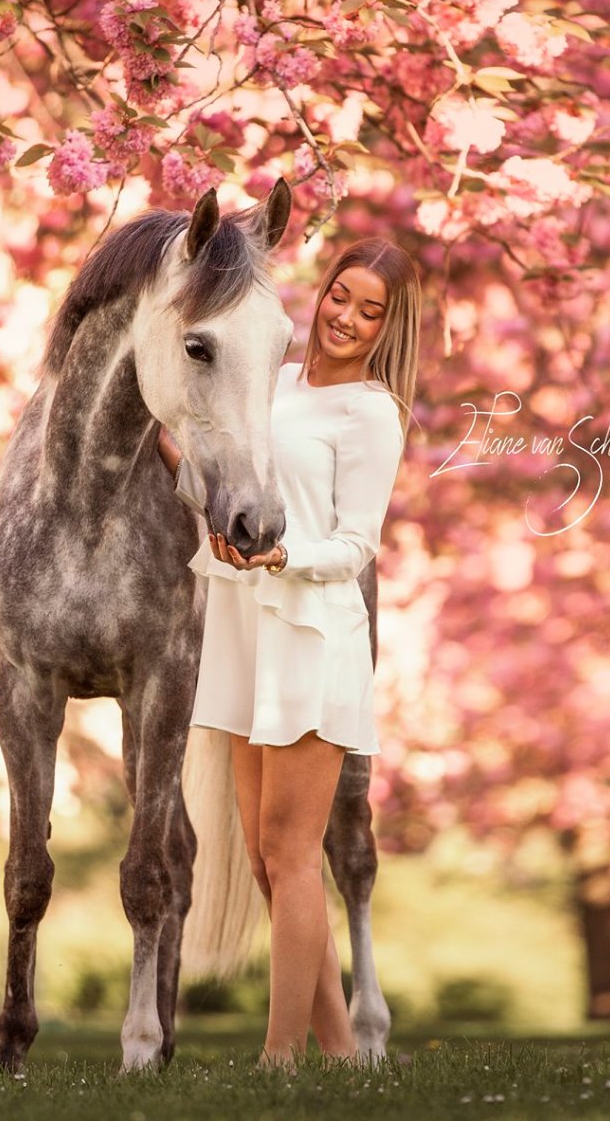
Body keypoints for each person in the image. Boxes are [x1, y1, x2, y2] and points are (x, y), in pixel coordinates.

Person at [156, 236, 419, 1070]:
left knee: (292, 854)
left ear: (389, 327)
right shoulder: (270, 381)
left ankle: (281, 1057)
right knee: (272, 865)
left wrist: (280, 556)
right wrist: (170, 448)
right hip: (242, 631)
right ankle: (341, 1054)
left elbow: (355, 545)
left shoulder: (372, 413)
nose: (347, 317)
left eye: (371, 310)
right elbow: (223, 471)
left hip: (310, 633)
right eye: (342, 295)